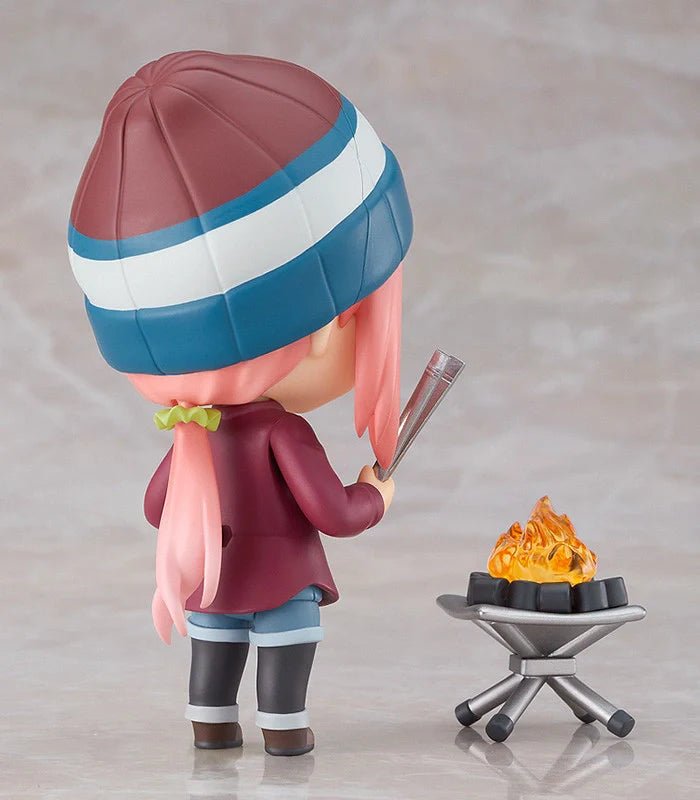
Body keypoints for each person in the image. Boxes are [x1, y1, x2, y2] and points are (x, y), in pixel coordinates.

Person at [68, 51, 412, 755]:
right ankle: (284, 734)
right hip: (281, 584)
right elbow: (332, 513)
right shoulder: (284, 435)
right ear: (327, 324)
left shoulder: (193, 434)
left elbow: (156, 507)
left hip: (212, 586)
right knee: (285, 661)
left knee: (214, 659)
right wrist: (375, 496)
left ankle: (211, 726)